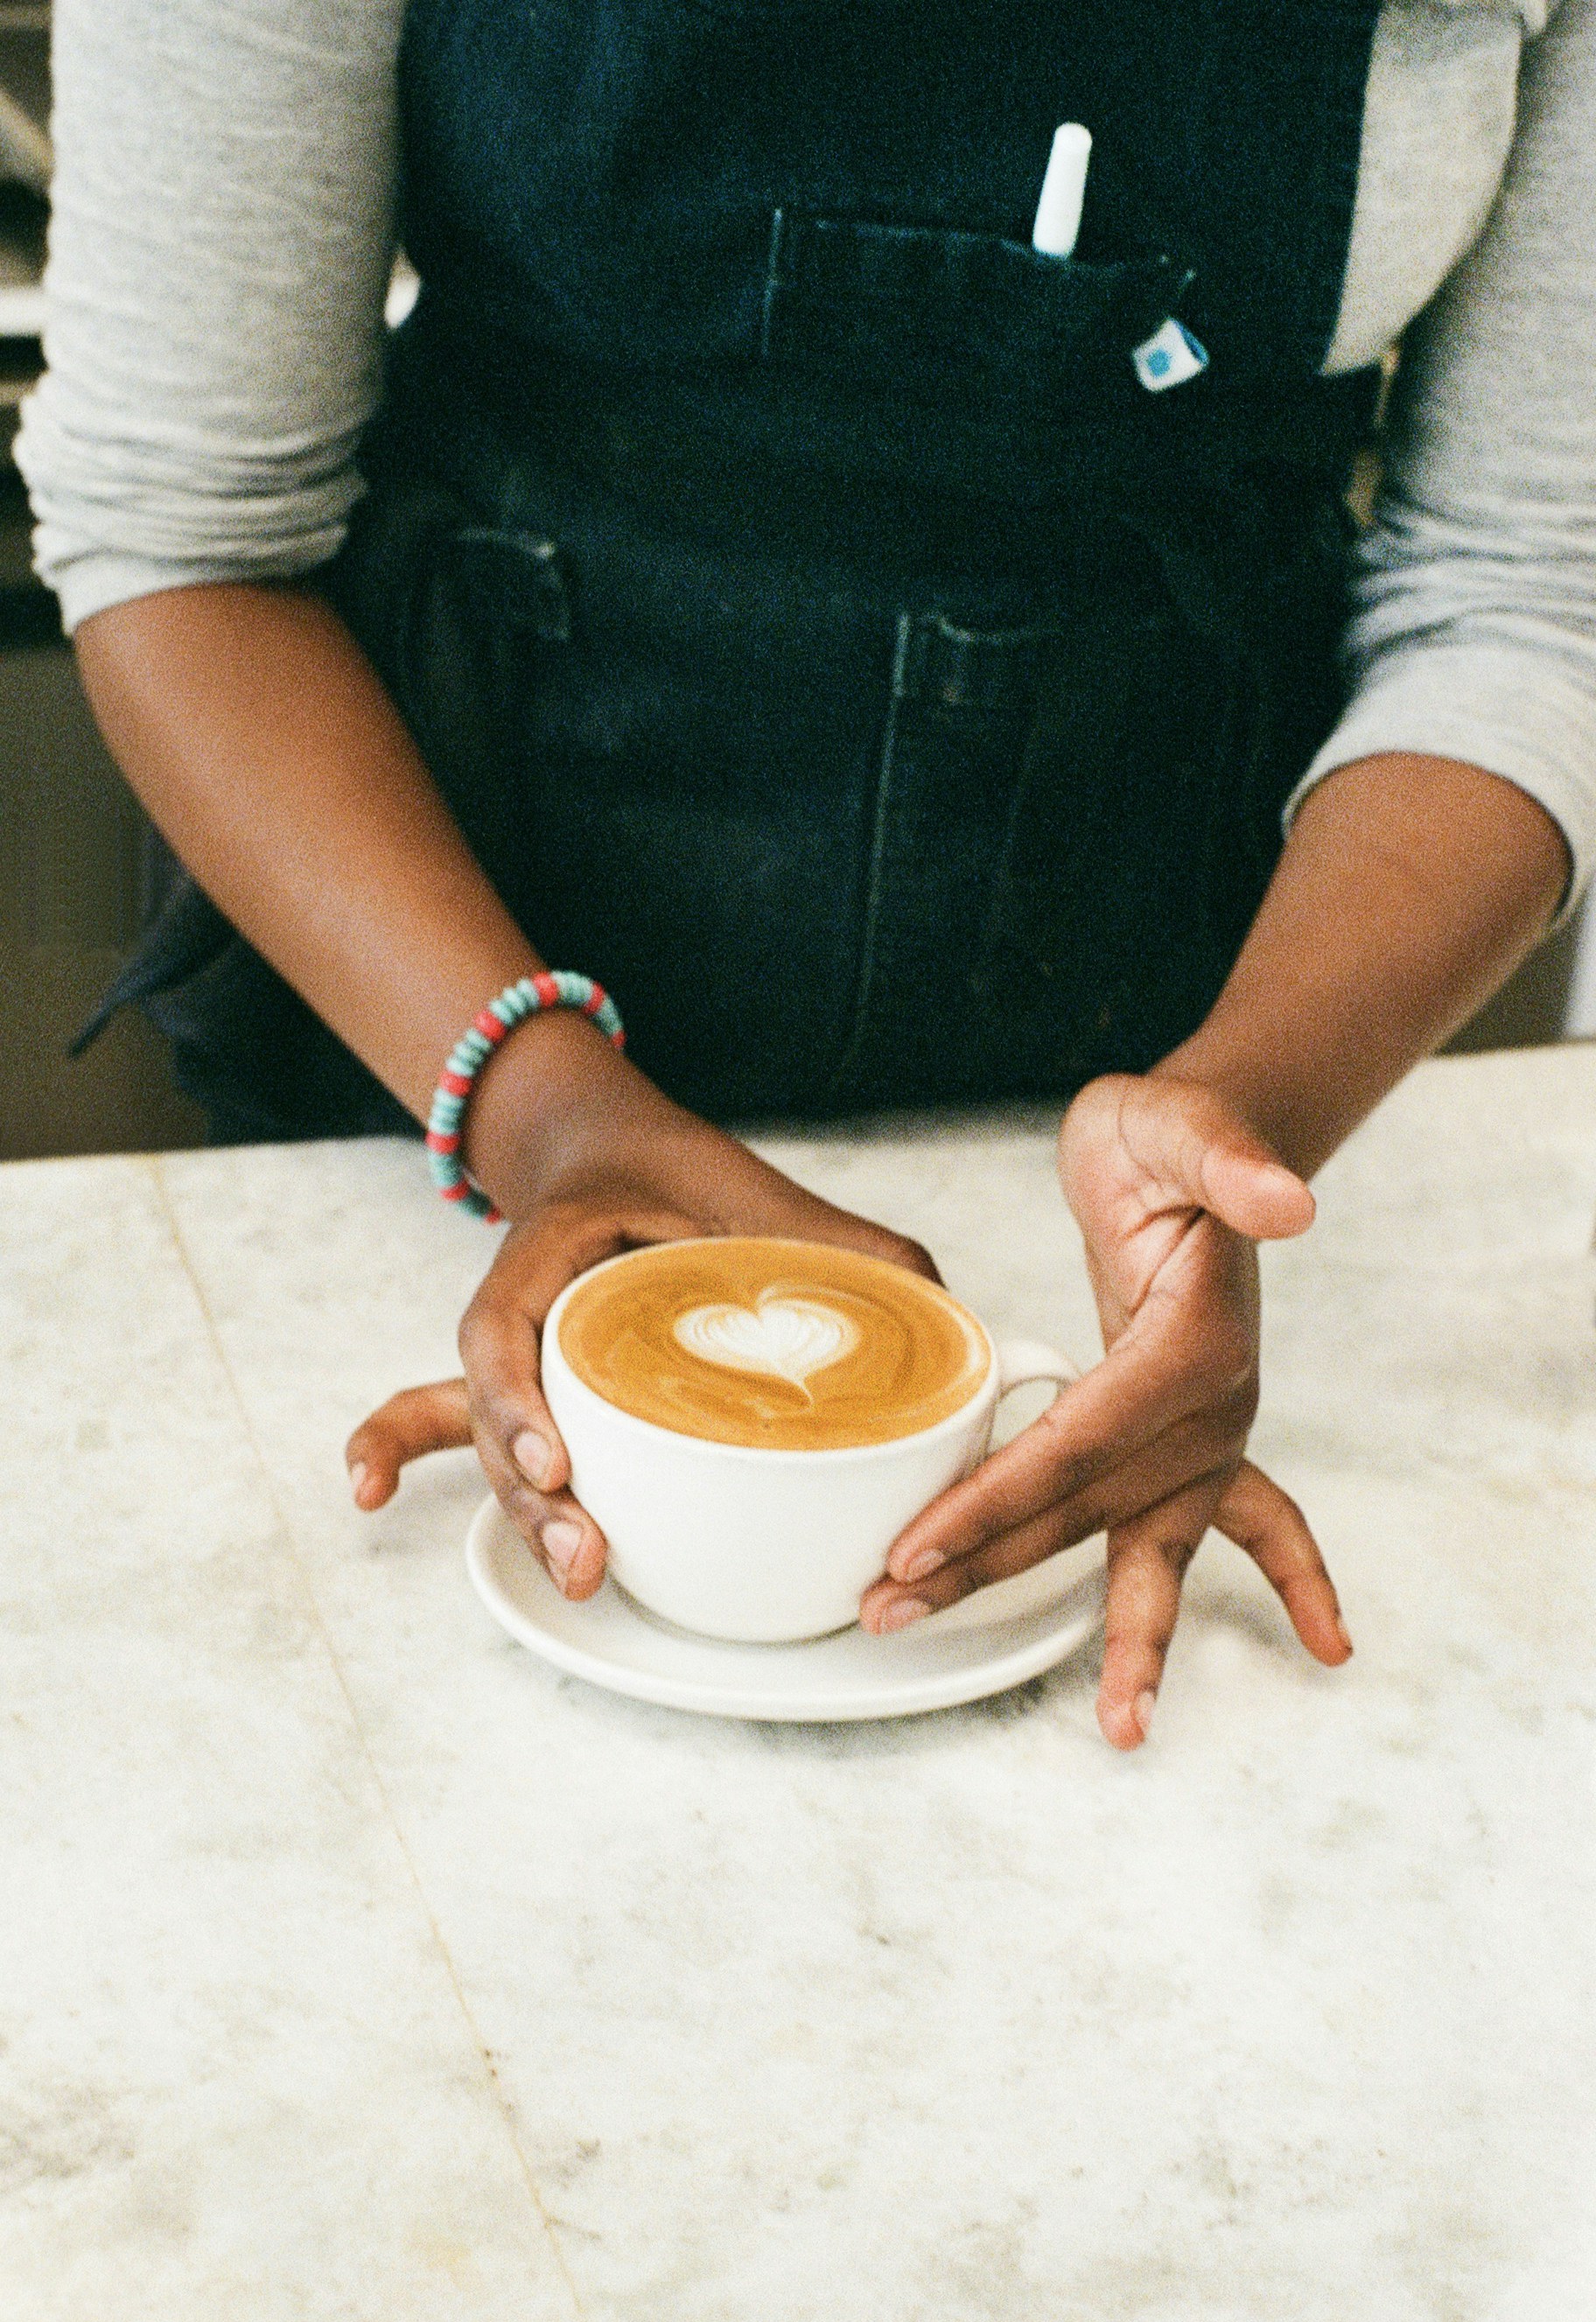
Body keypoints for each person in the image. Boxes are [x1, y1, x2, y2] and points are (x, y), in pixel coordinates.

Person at [21, 0, 1592, 1748]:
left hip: (1166, 1112)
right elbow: (188, 533)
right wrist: (550, 1114)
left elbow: (1529, 594)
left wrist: (1246, 1113)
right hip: (443, 1074)